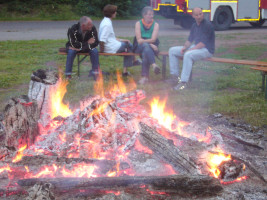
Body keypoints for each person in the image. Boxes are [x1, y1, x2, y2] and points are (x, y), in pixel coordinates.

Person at [168, 7, 215, 90]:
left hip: (207, 50)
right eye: (197, 15)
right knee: (172, 50)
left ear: (202, 14)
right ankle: (174, 77)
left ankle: (183, 83)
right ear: (193, 16)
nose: (199, 16)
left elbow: (203, 44)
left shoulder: (208, 25)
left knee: (188, 55)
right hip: (196, 48)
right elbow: (190, 39)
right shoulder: (194, 25)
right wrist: (185, 47)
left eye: (200, 14)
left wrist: (190, 50)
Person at [99, 4, 141, 77]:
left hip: (111, 45)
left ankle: (129, 67)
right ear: (111, 13)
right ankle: (133, 62)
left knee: (128, 44)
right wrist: (103, 52)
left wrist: (122, 40)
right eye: (115, 12)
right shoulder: (107, 24)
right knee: (129, 46)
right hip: (111, 48)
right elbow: (102, 39)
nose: (116, 13)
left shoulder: (105, 21)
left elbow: (111, 38)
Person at [134, 6, 160, 85]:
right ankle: (154, 64)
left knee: (146, 51)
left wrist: (148, 43)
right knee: (145, 46)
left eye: (152, 14)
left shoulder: (156, 25)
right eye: (149, 14)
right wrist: (150, 44)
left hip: (150, 47)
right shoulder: (138, 24)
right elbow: (139, 40)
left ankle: (144, 77)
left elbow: (153, 39)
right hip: (139, 46)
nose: (151, 16)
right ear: (144, 15)